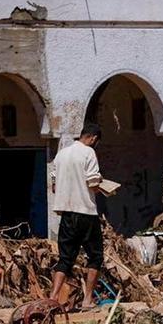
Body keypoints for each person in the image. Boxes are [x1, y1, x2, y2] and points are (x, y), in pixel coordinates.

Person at [49, 123, 105, 310]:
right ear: (93, 139)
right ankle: (87, 300)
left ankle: (53, 298)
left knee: (65, 258)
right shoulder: (89, 153)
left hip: (66, 213)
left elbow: (54, 185)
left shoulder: (62, 154)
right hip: (86, 212)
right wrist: (101, 187)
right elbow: (93, 183)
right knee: (95, 257)